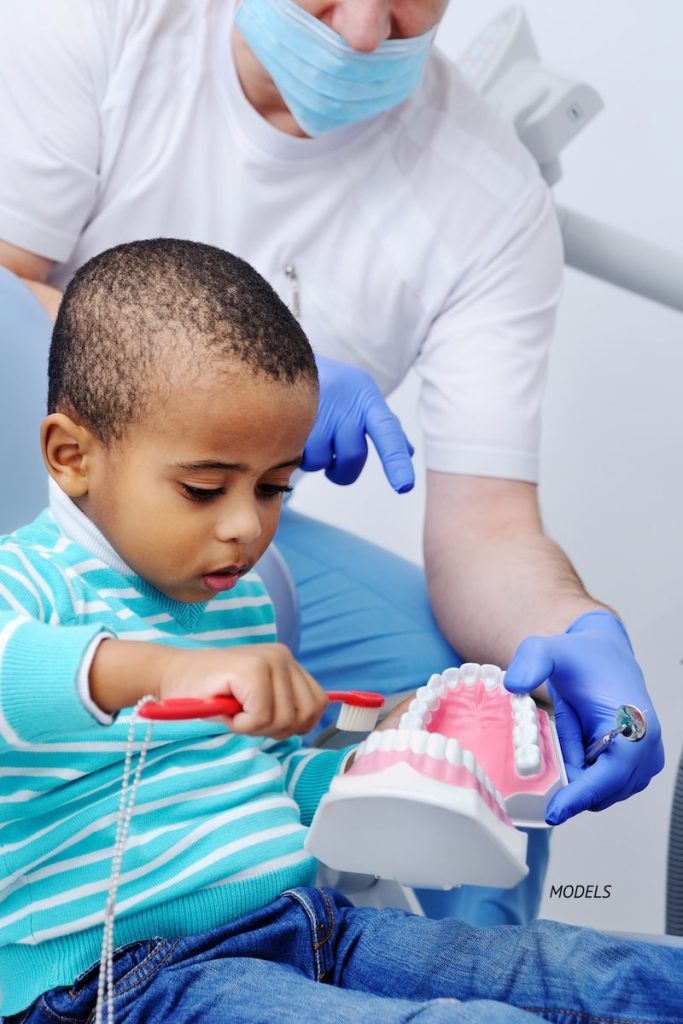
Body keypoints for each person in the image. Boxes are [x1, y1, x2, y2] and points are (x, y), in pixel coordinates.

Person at [0, 0, 664, 927]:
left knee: (471, 707)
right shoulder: (99, 25)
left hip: (207, 534)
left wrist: (582, 631)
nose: (360, 31)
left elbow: (487, 526)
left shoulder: (485, 198)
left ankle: (458, 975)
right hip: (54, 489)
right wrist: (231, 382)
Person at [0, 237, 681, 1024]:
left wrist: (387, 758)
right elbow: (14, 673)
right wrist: (162, 671)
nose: (245, 527)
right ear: (70, 455)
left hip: (301, 923)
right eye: (203, 488)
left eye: (273, 488)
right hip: (124, 980)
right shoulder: (27, 582)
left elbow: (266, 786)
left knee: (591, 972)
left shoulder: (237, 602)